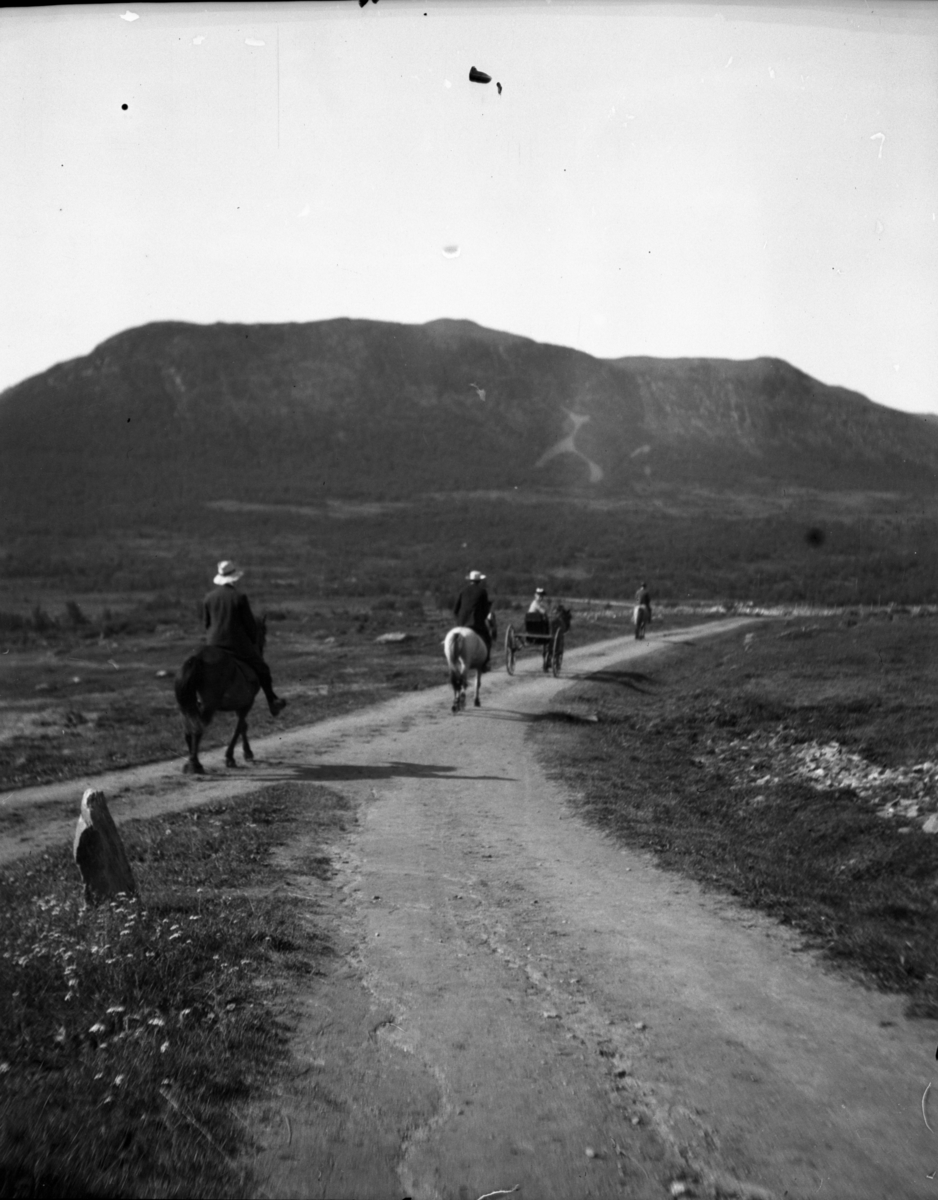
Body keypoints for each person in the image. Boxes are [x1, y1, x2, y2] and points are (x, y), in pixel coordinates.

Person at [202, 560, 287, 716]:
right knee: (262, 668)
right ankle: (272, 701)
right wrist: (252, 640)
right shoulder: (239, 597)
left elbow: (207, 624)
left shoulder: (209, 598)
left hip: (212, 645)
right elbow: (249, 625)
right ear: (234, 577)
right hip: (234, 646)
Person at [454, 570, 493, 671]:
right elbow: (486, 610)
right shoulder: (482, 591)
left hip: (461, 623)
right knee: (488, 639)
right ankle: (485, 663)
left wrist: (459, 622)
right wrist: (482, 619)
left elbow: (456, 610)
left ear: (470, 580)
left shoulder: (463, 590)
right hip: (475, 623)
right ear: (479, 581)